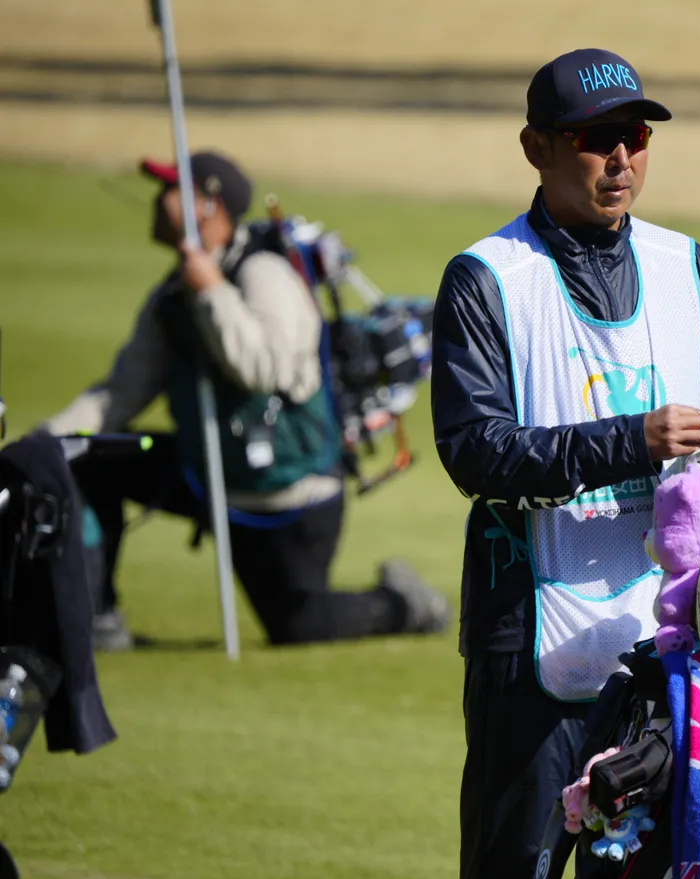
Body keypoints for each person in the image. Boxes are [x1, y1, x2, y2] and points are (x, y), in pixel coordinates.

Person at [431, 48, 700, 879]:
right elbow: (474, 451)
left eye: (636, 136)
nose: (621, 158)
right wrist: (633, 440)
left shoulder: (684, 263)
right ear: (536, 147)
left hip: (668, 641)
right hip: (528, 642)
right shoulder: (487, 277)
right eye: (596, 139)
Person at [42, 151, 449, 652]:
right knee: (89, 459)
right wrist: (45, 444)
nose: (157, 200)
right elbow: (121, 394)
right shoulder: (173, 294)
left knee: (300, 626)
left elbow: (262, 370)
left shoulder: (265, 273)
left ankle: (404, 604)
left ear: (208, 206)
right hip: (207, 473)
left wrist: (212, 292)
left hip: (291, 489)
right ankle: (97, 621)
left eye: (171, 190)